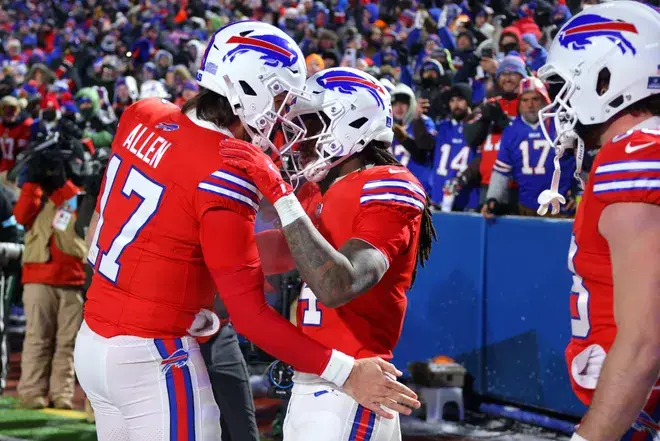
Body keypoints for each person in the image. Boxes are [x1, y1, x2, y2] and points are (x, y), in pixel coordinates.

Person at [74, 22, 419, 441]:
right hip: (155, 355)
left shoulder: (143, 114)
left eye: (308, 121)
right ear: (250, 88)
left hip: (93, 341)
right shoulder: (227, 173)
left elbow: (100, 232)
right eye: (280, 99)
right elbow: (251, 315)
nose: (288, 126)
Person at [221, 67, 437, 441]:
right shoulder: (323, 189)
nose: (301, 140)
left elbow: (339, 284)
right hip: (322, 382)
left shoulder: (387, 183)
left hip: (352, 386)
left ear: (350, 121)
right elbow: (279, 252)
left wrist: (282, 196)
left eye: (312, 124)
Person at [535, 3, 660, 441]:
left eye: (564, 85)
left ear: (606, 78)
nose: (557, 102)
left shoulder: (635, 156)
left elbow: (645, 340)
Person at [483, 77, 576, 218]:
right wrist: (492, 199)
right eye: (525, 100)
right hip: (526, 208)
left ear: (545, 100)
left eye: (535, 99)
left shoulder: (562, 124)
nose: (530, 105)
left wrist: (580, 194)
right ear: (519, 104)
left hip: (561, 208)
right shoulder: (511, 131)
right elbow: (502, 171)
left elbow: (582, 164)